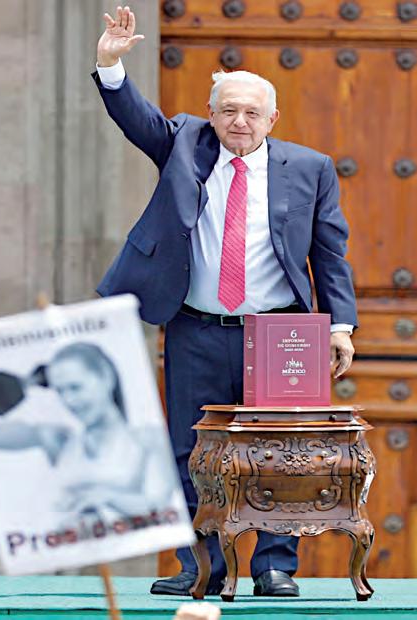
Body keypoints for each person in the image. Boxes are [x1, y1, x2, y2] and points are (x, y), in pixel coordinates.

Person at [92, 6, 357, 597]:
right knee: (191, 447)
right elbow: (136, 119)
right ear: (210, 114)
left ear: (272, 118)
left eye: (252, 112)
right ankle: (202, 565)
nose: (240, 121)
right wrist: (111, 65)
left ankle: (274, 566)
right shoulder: (184, 143)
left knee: (283, 447)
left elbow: (329, 252)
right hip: (197, 327)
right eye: (228, 110)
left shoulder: (310, 168)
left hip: (281, 331)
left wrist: (340, 325)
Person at [0, 342, 176, 526]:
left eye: (75, 387)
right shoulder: (61, 440)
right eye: (61, 391)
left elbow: (160, 505)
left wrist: (106, 497)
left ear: (106, 377)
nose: (69, 400)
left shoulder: (148, 439)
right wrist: (18, 384)